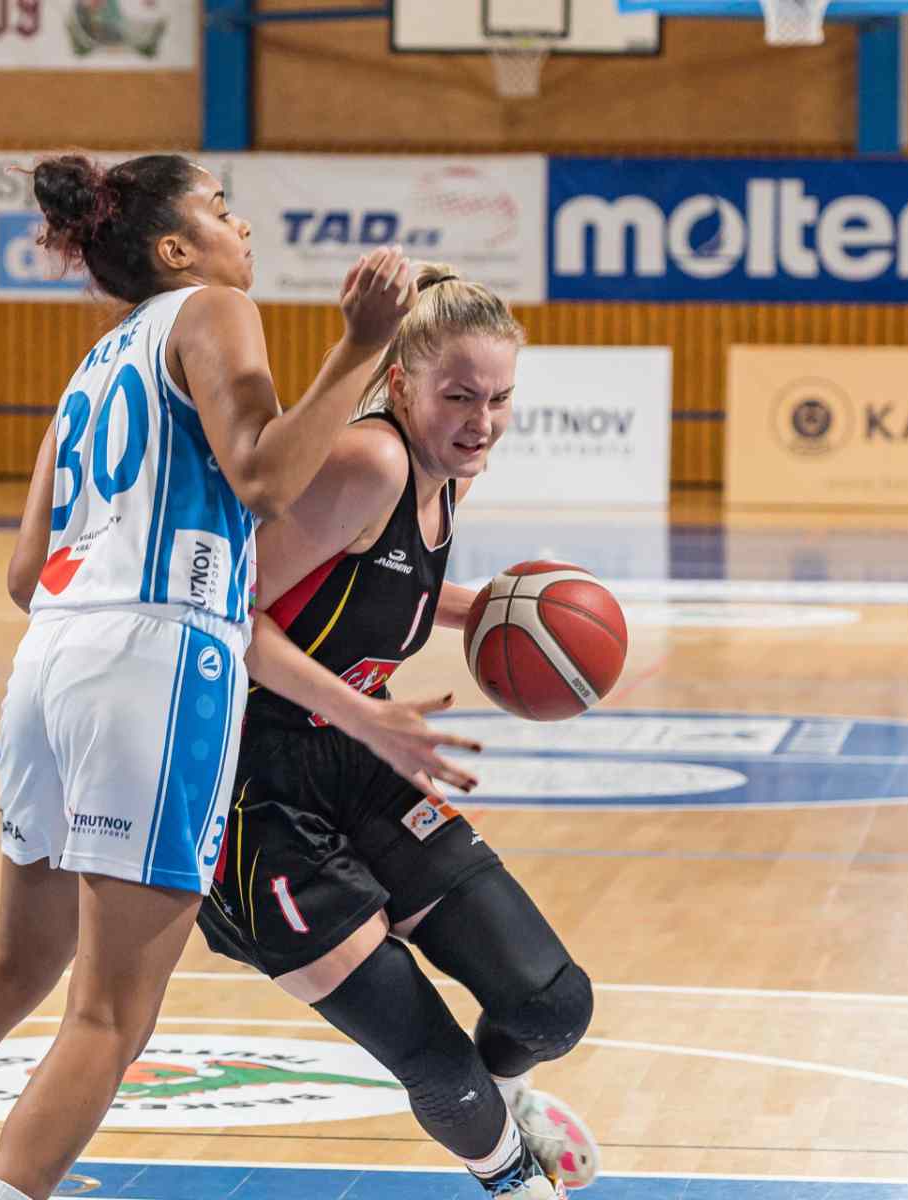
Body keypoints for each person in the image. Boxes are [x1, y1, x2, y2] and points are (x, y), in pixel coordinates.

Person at [0, 154, 455, 1200]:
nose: (243, 229)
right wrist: (360, 348)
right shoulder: (215, 308)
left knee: (17, 959)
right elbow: (264, 479)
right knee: (110, 1014)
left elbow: (25, 573)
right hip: (159, 661)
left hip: (52, 658)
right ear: (177, 248)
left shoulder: (97, 364)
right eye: (222, 210)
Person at [201, 263, 599, 1200]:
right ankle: (507, 1176)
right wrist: (366, 713)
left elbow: (371, 579)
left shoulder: (447, 470)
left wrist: (497, 612)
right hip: (252, 790)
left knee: (550, 1005)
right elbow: (225, 613)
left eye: (499, 398)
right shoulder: (370, 463)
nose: (482, 420)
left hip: (352, 755)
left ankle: (505, 1105)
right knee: (442, 1070)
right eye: (459, 396)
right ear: (400, 384)